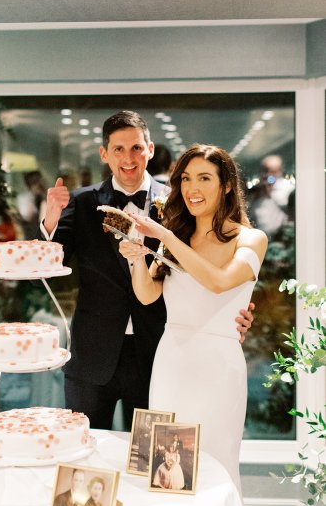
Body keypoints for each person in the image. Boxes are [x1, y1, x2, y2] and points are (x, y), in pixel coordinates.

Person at [38, 111, 254, 431]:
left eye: (137, 148)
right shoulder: (83, 202)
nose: (129, 158)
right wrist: (50, 220)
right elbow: (51, 261)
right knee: (86, 450)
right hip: (93, 353)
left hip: (158, 352)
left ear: (150, 150)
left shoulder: (180, 203)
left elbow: (210, 259)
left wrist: (237, 307)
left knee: (149, 459)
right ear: (104, 154)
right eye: (119, 149)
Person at [119, 143, 268, 498]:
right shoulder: (178, 237)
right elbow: (148, 295)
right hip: (170, 360)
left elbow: (218, 282)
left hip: (218, 369)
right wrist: (137, 256)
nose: (192, 189)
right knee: (165, 470)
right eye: (186, 179)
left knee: (216, 466)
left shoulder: (250, 239)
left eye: (204, 178)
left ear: (227, 184)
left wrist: (166, 235)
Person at [17, 170, 47, 239]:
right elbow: (27, 217)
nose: (38, 185)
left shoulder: (46, 196)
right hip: (32, 235)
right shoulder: (25, 198)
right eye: (34, 182)